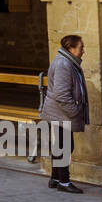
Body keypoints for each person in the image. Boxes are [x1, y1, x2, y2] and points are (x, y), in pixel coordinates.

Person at [41, 34, 90, 193]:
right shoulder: (64, 64)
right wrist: (75, 112)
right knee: (65, 147)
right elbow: (61, 95)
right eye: (81, 47)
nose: (83, 51)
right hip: (61, 113)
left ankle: (55, 178)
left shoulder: (67, 61)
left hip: (59, 113)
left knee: (61, 146)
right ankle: (64, 181)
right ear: (71, 48)